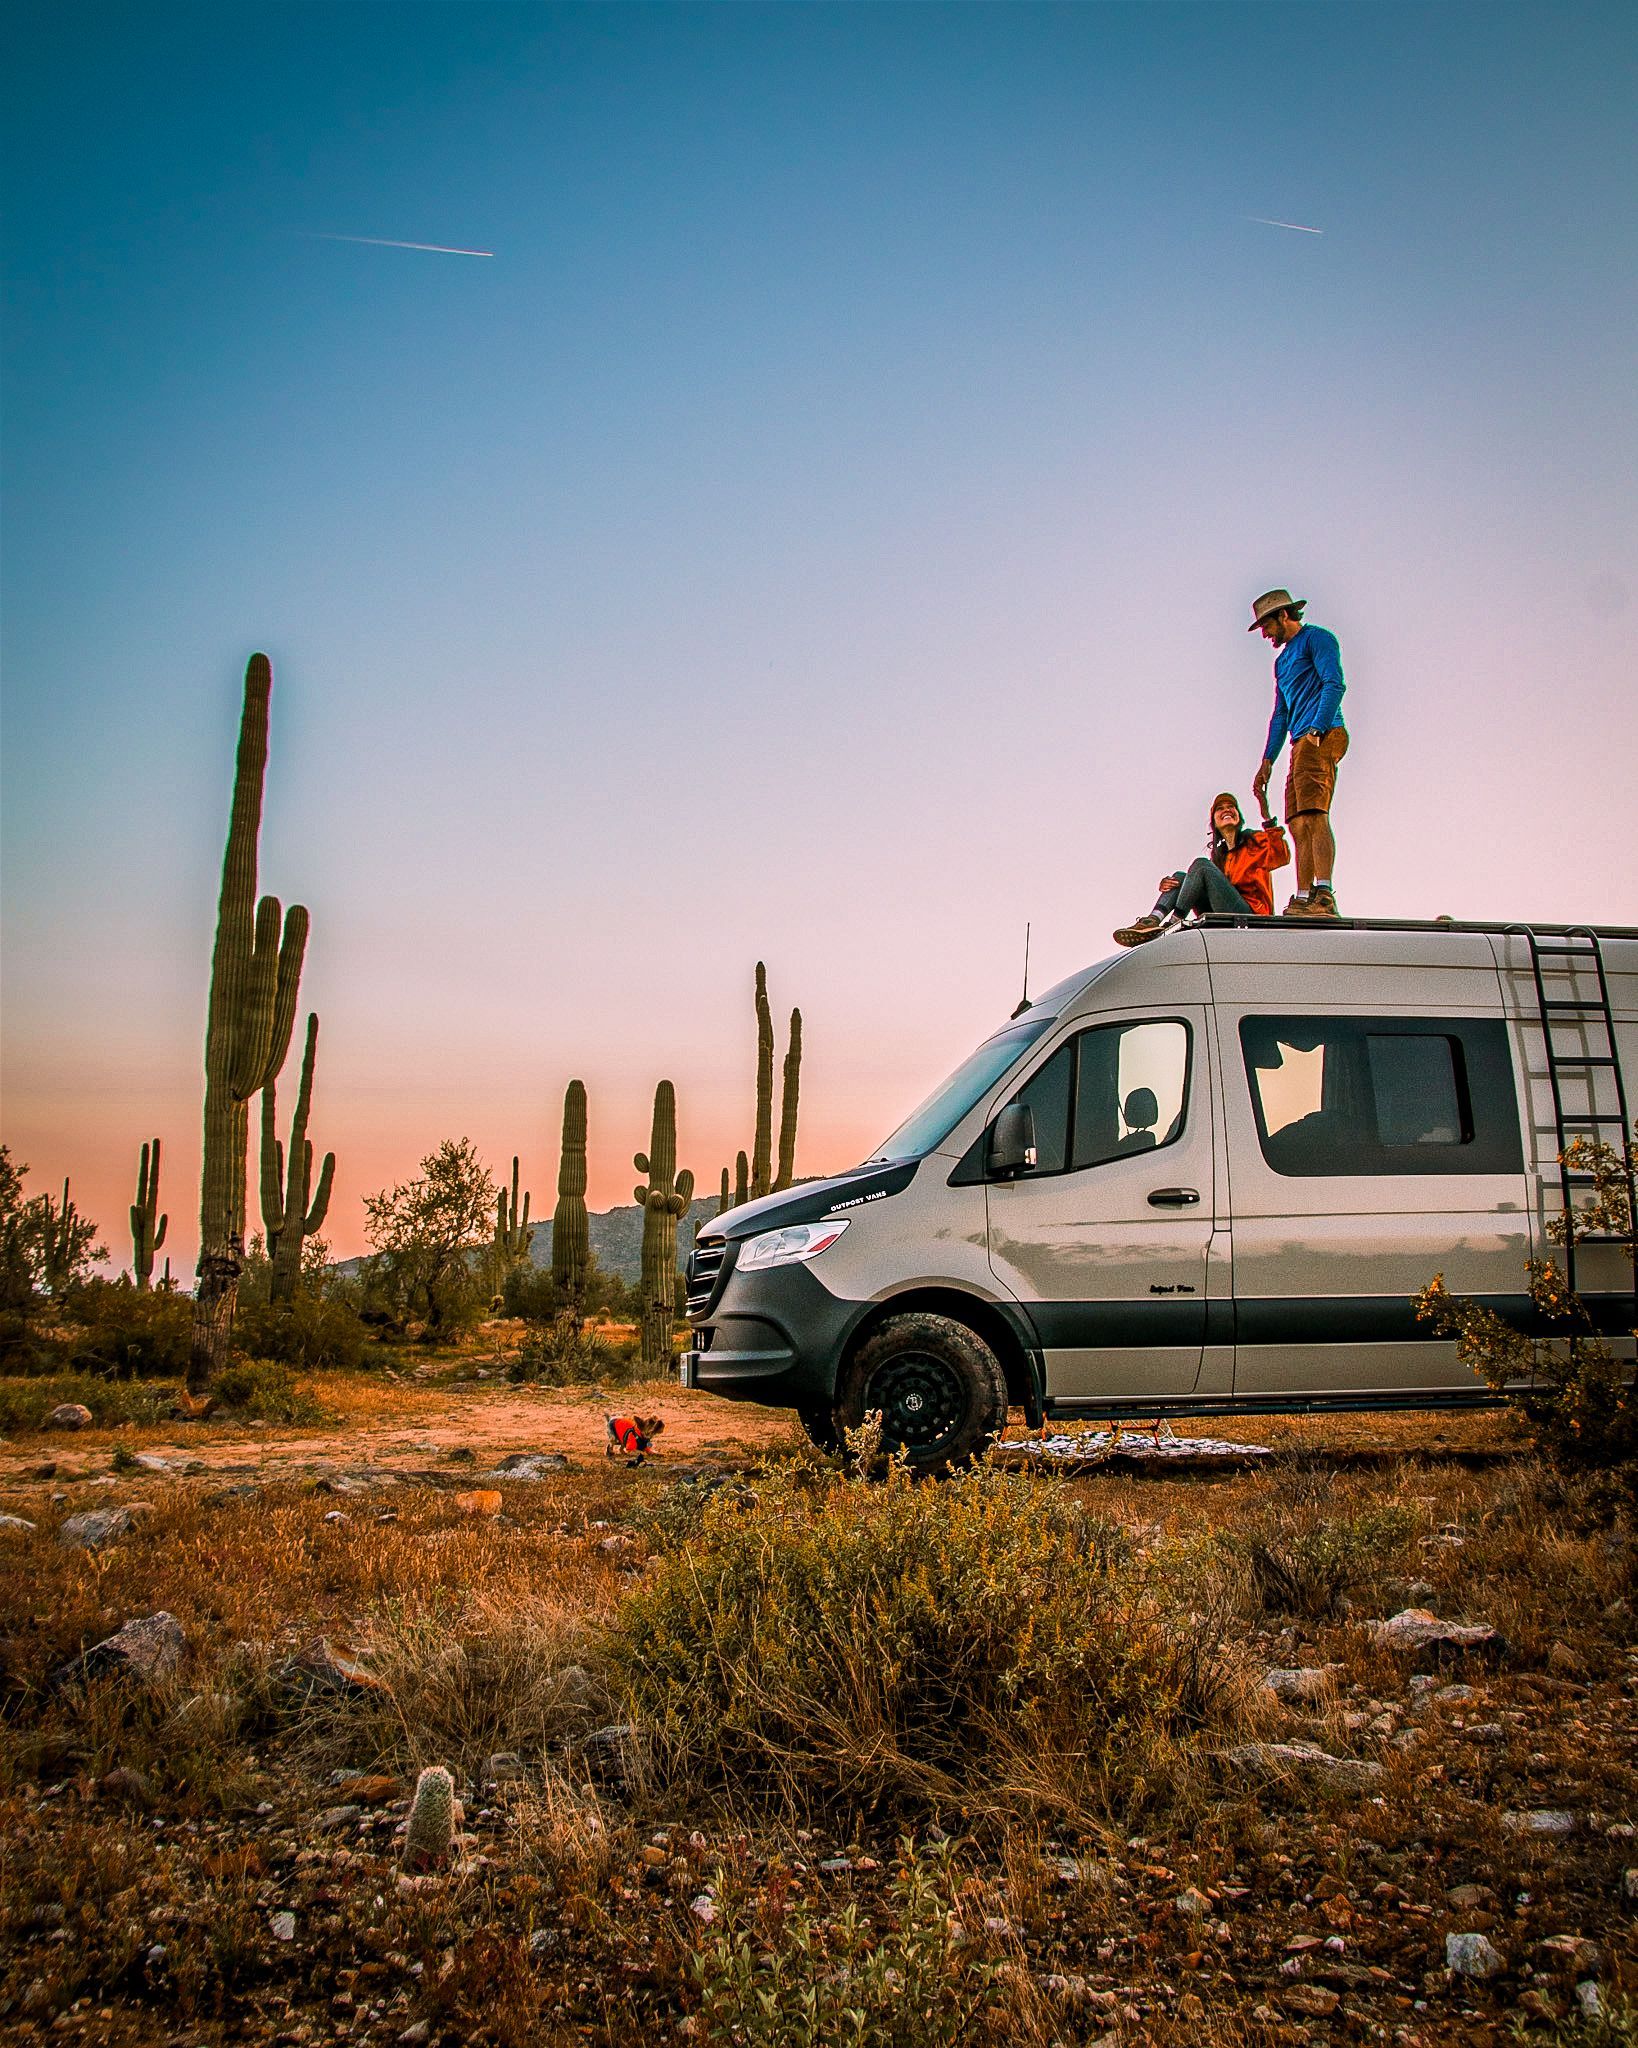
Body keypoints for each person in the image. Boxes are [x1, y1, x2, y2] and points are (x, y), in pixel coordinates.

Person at [1247, 588, 1348, 918]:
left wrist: (1318, 729)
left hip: (1322, 733)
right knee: (1298, 821)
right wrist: (1267, 761)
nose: (1265, 633)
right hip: (1298, 742)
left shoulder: (1317, 639)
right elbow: (1280, 714)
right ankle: (1305, 896)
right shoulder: (1281, 663)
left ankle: (1324, 893)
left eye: (1266, 625)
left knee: (1316, 814)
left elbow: (1334, 683)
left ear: (1283, 616)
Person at [1113, 792, 1290, 946]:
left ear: (1239, 816)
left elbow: (1282, 856)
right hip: (1222, 913)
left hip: (1251, 916)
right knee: (1180, 877)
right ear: (1214, 820)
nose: (1227, 810)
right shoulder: (1220, 858)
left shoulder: (1253, 841)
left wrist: (1267, 818)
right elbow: (1211, 888)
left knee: (1200, 865)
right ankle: (1153, 919)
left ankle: (1173, 923)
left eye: (1231, 806)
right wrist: (1174, 885)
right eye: (1220, 808)